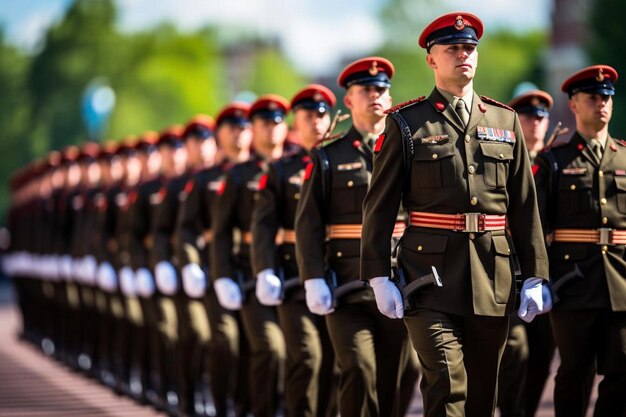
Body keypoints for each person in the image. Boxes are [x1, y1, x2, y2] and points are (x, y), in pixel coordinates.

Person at [360, 13, 549, 417]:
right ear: (432, 60)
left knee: (482, 396)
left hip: (491, 276)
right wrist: (377, 275)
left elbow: (524, 206)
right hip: (428, 279)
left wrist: (536, 273)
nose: (463, 54)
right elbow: (379, 205)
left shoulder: (505, 120)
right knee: (447, 386)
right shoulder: (407, 123)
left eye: (469, 48)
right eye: (453, 48)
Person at [295, 57, 418, 417]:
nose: (375, 95)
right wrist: (313, 277)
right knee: (359, 369)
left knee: (399, 376)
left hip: (398, 282)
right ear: (348, 100)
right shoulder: (328, 156)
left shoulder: (411, 149)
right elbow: (308, 223)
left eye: (381, 89)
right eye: (365, 90)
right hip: (346, 287)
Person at [534, 64, 626, 417]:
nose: (601, 104)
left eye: (606, 98)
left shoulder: (623, 155)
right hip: (573, 281)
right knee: (575, 372)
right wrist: (538, 277)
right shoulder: (555, 160)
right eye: (592, 98)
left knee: (622, 368)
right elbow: (536, 225)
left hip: (620, 279)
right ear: (573, 105)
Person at [251, 84, 337, 417]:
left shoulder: (343, 161)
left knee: (334, 363)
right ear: (294, 123)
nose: (316, 122)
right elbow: (263, 225)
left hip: (338, 273)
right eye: (307, 116)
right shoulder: (281, 169)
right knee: (306, 356)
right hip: (294, 276)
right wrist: (265, 269)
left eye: (321, 115)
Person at [211, 95, 291, 417]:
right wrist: (223, 275)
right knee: (267, 349)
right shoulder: (238, 175)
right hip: (249, 269)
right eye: (263, 123)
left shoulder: (301, 164)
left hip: (293, 268)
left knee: (293, 354)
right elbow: (220, 232)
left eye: (276, 123)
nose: (271, 130)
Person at [498, 89, 557, 417]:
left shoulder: (557, 163)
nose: (535, 123)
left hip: (552, 275)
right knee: (514, 354)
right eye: (528, 117)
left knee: (542, 357)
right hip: (510, 270)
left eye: (541, 117)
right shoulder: (503, 161)